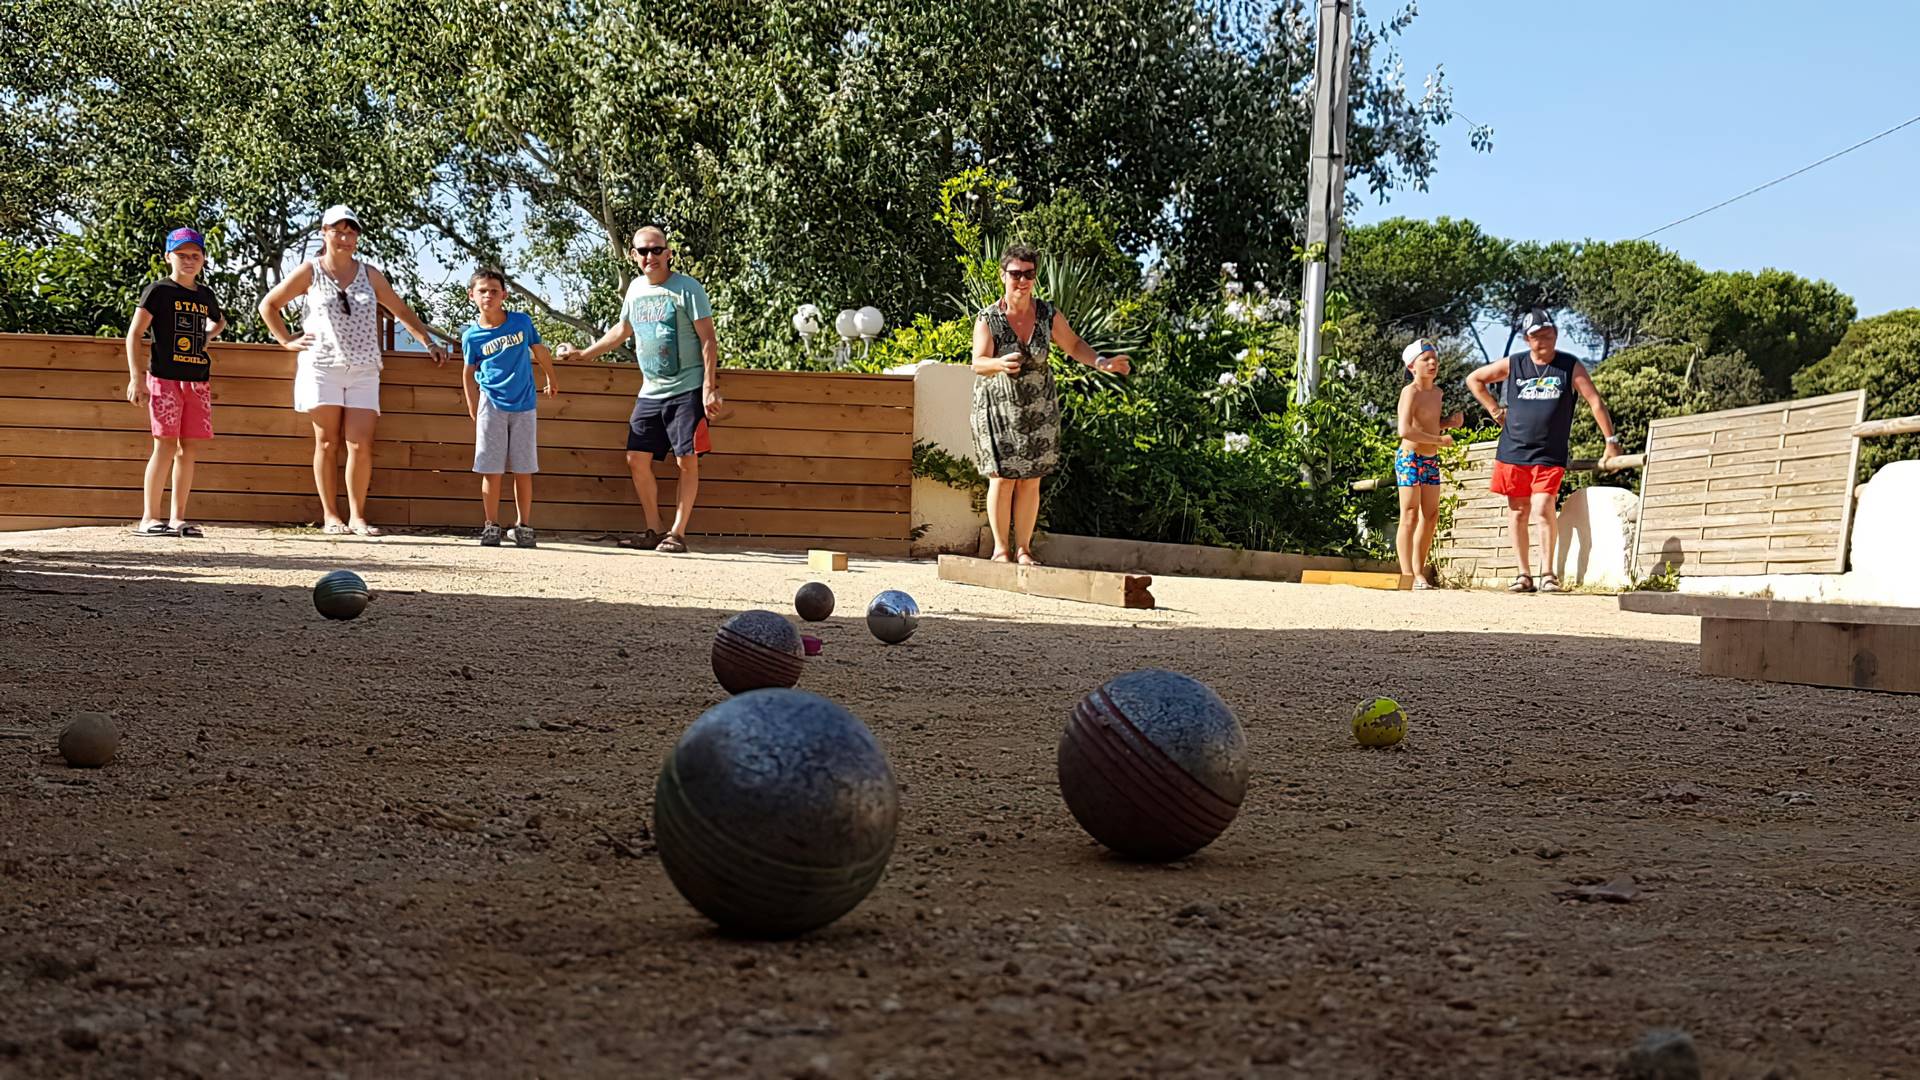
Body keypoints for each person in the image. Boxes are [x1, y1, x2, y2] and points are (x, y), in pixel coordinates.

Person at [258, 204, 447, 537]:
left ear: (357, 236)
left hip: (363, 367)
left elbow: (400, 309)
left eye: (350, 232)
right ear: (324, 233)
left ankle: (358, 516)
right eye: (337, 231)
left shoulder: (370, 273)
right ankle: (331, 516)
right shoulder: (310, 270)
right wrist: (286, 340)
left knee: (360, 443)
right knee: (327, 443)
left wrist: (427, 342)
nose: (344, 238)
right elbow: (268, 305)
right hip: (322, 365)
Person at [556, 225, 720, 554]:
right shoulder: (634, 290)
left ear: (668, 252)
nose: (650, 256)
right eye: (643, 251)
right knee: (635, 458)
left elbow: (708, 339)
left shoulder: (688, 289)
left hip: (686, 388)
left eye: (656, 249)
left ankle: (678, 533)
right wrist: (585, 355)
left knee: (686, 460)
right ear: (634, 255)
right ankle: (654, 529)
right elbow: (622, 329)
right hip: (650, 391)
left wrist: (709, 388)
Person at [970, 244, 1130, 565]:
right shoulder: (989, 317)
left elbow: (1072, 344)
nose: (1022, 281)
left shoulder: (1047, 314)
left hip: (1039, 408)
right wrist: (1000, 364)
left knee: (1031, 478)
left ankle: (1024, 550)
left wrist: (1102, 362)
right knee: (1002, 477)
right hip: (998, 409)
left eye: (1029, 274)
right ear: (1003, 275)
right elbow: (978, 362)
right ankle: (1001, 550)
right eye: (1016, 274)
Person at [1466, 309, 1623, 593]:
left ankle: (1548, 573)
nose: (1543, 341)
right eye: (1537, 336)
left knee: (1542, 507)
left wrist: (1610, 441)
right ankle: (1523, 574)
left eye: (1548, 334)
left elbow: (1594, 401)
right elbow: (1474, 379)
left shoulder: (1569, 365)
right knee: (1517, 511)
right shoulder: (1515, 364)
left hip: (1549, 453)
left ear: (1556, 334)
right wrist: (1493, 409)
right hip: (1513, 450)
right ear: (1527, 339)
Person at [123, 227, 227, 538]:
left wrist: (205, 338)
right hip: (164, 378)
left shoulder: (205, 295)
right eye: (181, 255)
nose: (189, 260)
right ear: (169, 257)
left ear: (204, 259)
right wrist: (136, 377)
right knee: (165, 445)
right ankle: (149, 518)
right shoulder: (158, 291)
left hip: (197, 380)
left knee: (189, 448)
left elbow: (219, 320)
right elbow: (134, 334)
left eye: (195, 255)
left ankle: (178, 519)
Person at [460, 269, 557, 548]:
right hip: (491, 402)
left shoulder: (520, 322)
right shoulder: (472, 336)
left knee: (523, 467)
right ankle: (491, 525)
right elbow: (468, 373)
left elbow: (538, 349)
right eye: (482, 290)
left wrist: (551, 376)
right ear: (472, 296)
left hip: (524, 402)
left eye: (493, 290)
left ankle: (523, 525)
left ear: (504, 294)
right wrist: (472, 404)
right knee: (491, 468)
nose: (488, 295)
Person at [1394, 340, 1463, 589]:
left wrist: (1449, 423)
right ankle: (1407, 575)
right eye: (1426, 359)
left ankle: (1418, 571)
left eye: (1435, 358)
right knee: (1410, 515)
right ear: (1412, 366)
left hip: (1430, 459)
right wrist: (1438, 440)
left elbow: (1428, 422)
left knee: (1431, 516)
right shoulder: (1409, 392)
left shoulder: (1437, 393)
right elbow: (1405, 430)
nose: (1432, 363)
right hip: (1409, 458)